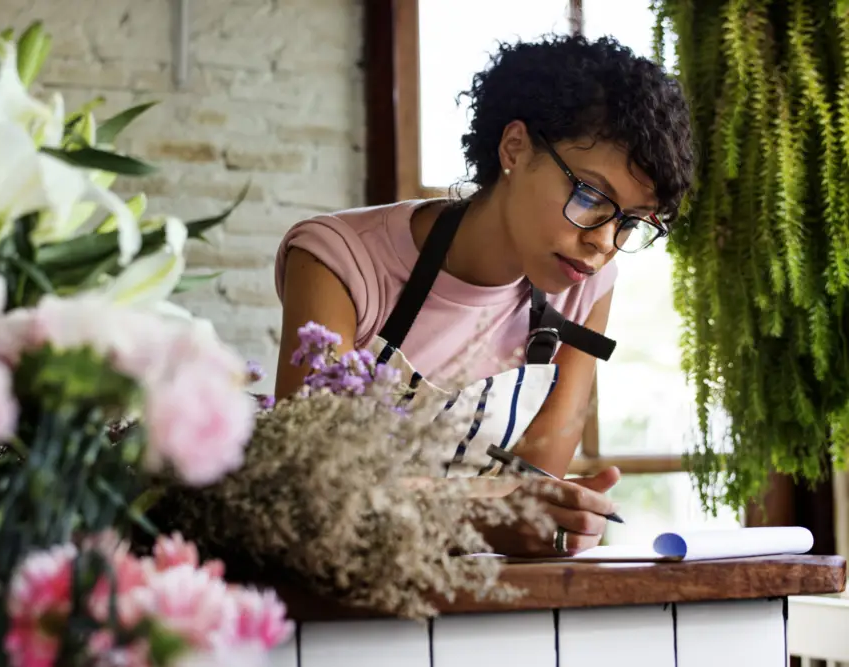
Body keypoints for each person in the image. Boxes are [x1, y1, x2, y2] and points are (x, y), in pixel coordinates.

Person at [272, 35, 695, 557]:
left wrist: (531, 511)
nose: (605, 242)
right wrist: (481, 512)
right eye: (590, 196)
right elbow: (309, 490)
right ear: (514, 147)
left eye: (630, 223)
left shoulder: (588, 285)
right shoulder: (337, 259)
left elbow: (535, 483)